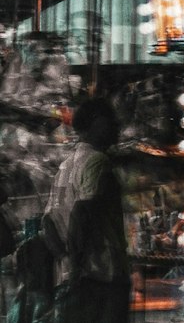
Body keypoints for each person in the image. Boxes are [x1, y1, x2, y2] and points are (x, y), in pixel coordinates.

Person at [42, 96, 129, 323]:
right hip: (101, 277)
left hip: (75, 279)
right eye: (112, 121)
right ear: (97, 123)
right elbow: (83, 212)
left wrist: (65, 261)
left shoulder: (66, 165)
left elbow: (47, 223)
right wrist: (76, 265)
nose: (117, 127)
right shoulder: (97, 161)